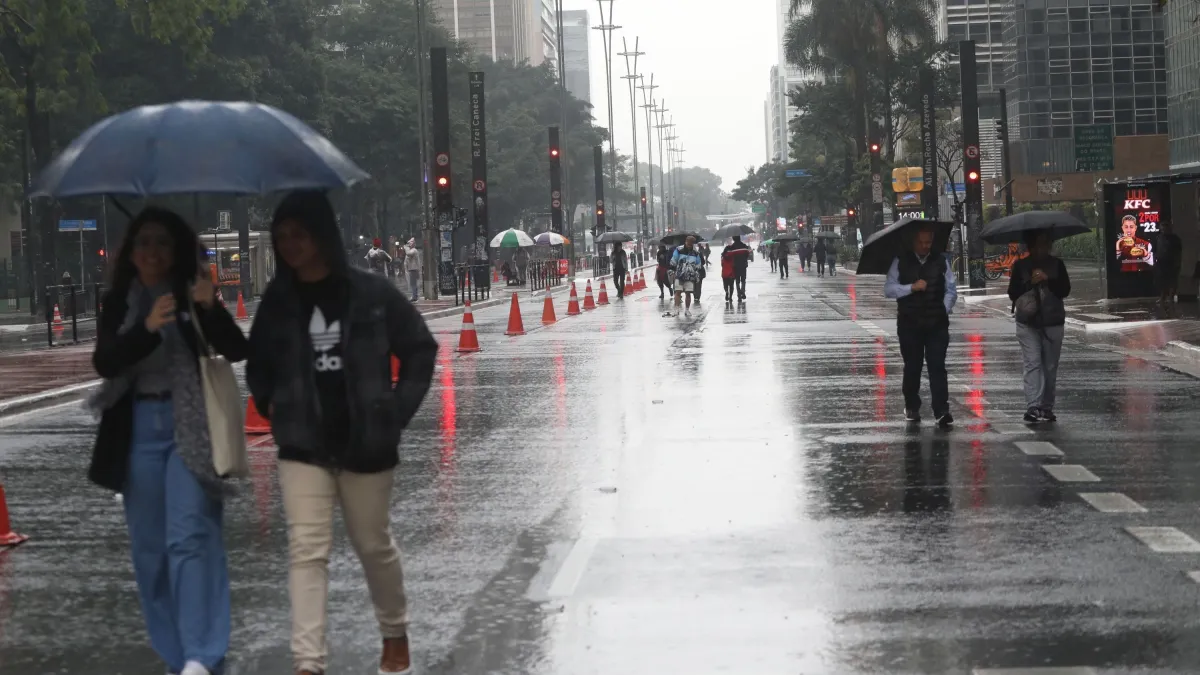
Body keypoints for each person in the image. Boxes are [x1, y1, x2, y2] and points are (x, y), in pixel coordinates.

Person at [247, 191, 439, 675]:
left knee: (372, 544)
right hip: (301, 445)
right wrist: (269, 399)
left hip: (366, 442)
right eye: (283, 236)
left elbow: (420, 348)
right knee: (307, 550)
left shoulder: (371, 292)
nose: (291, 245)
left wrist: (394, 414)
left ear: (322, 235)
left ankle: (394, 633)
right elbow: (258, 361)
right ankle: (308, 662)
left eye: (300, 234)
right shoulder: (279, 299)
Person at [88, 207, 249, 675]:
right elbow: (106, 362)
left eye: (161, 242)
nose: (152, 251)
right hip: (138, 428)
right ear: (130, 252)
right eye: (143, 243)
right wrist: (146, 329)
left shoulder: (191, 291)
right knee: (151, 553)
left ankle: (202, 653)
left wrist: (208, 305)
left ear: (176, 249)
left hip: (190, 427)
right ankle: (178, 657)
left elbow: (237, 348)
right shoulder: (120, 300)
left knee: (190, 539)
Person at [884, 224, 958, 427]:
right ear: (913, 242)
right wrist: (911, 288)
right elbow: (889, 290)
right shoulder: (900, 262)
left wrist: (944, 308)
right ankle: (912, 406)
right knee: (913, 367)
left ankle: (941, 410)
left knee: (937, 367)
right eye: (922, 242)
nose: (926, 246)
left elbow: (951, 290)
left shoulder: (941, 261)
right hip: (910, 324)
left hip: (937, 325)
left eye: (929, 242)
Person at [1007, 230, 1070, 424]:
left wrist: (1048, 280)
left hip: (1052, 321)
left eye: (1047, 243)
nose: (1044, 248)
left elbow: (1064, 290)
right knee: (1032, 363)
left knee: (1050, 367)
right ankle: (1033, 406)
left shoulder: (1057, 265)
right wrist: (1029, 283)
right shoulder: (1020, 266)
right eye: (1040, 244)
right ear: (1031, 246)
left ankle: (1046, 407)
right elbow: (1012, 293)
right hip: (1028, 322)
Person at [671, 236, 703, 317]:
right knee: (678, 292)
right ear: (685, 241)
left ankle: (687, 310)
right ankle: (676, 309)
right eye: (688, 243)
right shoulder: (679, 250)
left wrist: (696, 272)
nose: (689, 245)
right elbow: (673, 261)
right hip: (679, 275)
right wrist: (673, 272)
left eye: (691, 244)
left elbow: (699, 264)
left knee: (688, 293)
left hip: (690, 276)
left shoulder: (695, 253)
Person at [1156, 220, 1182, 304]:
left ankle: (1171, 297)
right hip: (1161, 262)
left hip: (1172, 262)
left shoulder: (1175, 238)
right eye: (1162, 229)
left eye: (1165, 229)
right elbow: (1157, 249)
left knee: (1172, 280)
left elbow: (1178, 251)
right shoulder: (1159, 238)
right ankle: (1163, 297)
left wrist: (1177, 262)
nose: (1164, 230)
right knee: (1163, 281)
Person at [725, 235, 752, 301]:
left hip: (735, 266)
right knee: (743, 280)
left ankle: (739, 295)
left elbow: (729, 256)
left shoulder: (732, 247)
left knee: (737, 281)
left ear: (733, 239)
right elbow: (747, 255)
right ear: (740, 238)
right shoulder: (744, 246)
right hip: (743, 265)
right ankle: (743, 291)